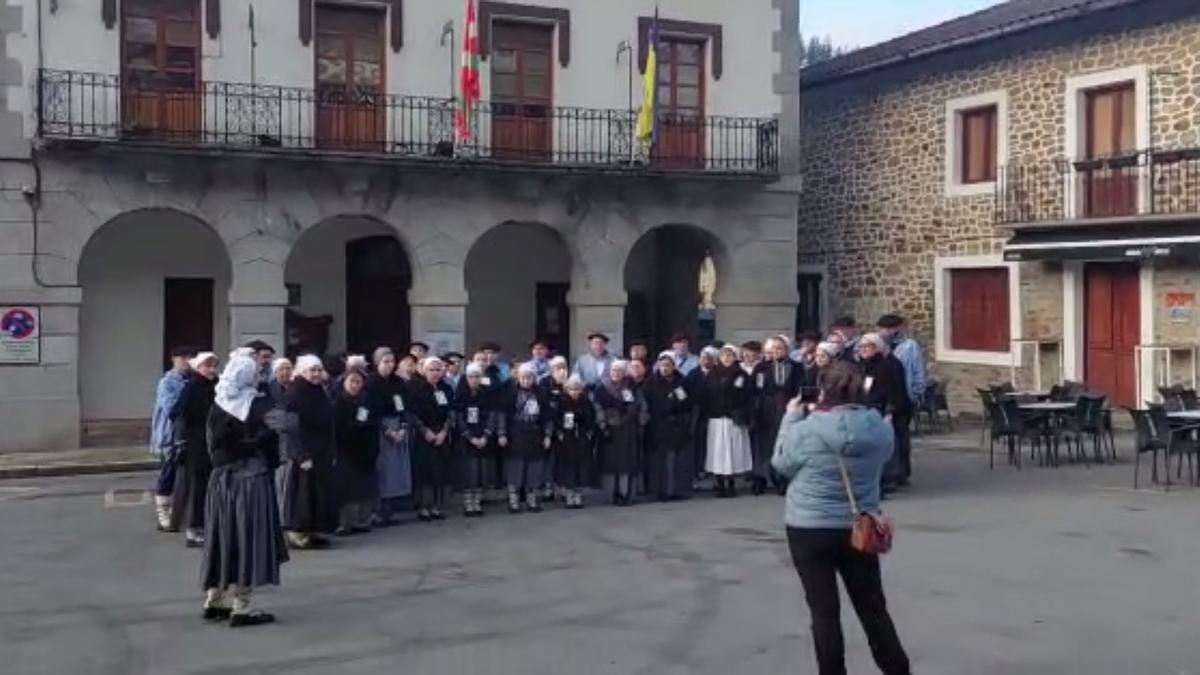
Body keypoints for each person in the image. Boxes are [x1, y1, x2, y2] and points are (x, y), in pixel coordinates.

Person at [771, 361, 910, 675]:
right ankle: (897, 670)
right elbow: (886, 458)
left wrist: (790, 417)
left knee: (824, 612)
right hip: (859, 523)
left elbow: (781, 463)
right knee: (873, 608)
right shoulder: (878, 428)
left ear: (823, 390)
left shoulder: (806, 430)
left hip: (809, 526)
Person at [200, 353, 289, 628]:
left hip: (220, 482)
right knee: (248, 538)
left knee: (222, 537)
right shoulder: (257, 404)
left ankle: (214, 599)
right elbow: (287, 424)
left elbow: (212, 444)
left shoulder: (218, 401)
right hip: (250, 481)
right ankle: (241, 606)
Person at [280, 355, 337, 549]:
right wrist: (301, 454)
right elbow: (291, 428)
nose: (316, 374)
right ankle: (297, 533)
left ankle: (314, 530)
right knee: (302, 494)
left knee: (318, 494)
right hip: (304, 452)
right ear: (302, 372)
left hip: (321, 450)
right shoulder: (295, 393)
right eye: (311, 370)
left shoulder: (319, 390)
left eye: (318, 370)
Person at [169, 352, 220, 547]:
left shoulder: (217, 386)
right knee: (195, 488)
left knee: (209, 486)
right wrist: (182, 440)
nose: (212, 370)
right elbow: (177, 413)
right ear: (198, 368)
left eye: (215, 366)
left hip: (212, 443)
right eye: (208, 366)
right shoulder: (191, 387)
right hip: (195, 444)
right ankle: (193, 529)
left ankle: (206, 525)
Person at [858, 333, 912, 494]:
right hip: (871, 408)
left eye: (868, 347)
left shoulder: (890, 364)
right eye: (862, 347)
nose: (864, 350)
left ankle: (893, 476)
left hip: (889, 409)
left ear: (877, 348)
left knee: (891, 443)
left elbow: (895, 390)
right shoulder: (865, 364)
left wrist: (890, 410)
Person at [497, 363, 554, 513]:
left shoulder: (541, 394)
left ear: (533, 378)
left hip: (535, 435)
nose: (526, 380)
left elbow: (548, 418)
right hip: (515, 434)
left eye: (529, 377)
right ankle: (513, 500)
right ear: (518, 377)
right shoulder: (510, 393)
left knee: (534, 469)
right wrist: (502, 434)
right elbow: (502, 415)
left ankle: (532, 499)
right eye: (523, 377)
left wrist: (547, 435)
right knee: (515, 468)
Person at [367, 347, 413, 525]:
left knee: (397, 471)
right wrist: (387, 431)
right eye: (385, 361)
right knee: (382, 470)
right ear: (377, 362)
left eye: (392, 361)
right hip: (380, 430)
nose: (389, 365)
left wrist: (402, 427)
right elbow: (370, 410)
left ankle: (390, 508)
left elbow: (405, 406)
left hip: (398, 427)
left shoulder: (398, 382)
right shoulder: (370, 382)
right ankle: (377, 509)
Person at [752, 337, 804, 495]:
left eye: (780, 348)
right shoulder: (762, 367)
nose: (776, 352)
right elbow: (755, 390)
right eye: (773, 349)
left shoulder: (796, 367)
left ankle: (782, 479)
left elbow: (802, 388)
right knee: (763, 445)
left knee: (783, 444)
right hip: (766, 409)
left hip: (787, 407)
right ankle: (760, 478)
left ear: (787, 350)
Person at [701, 345, 753, 498]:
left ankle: (731, 483)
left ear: (735, 357)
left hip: (733, 418)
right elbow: (706, 395)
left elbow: (747, 396)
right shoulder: (712, 374)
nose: (727, 358)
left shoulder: (741, 374)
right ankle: (719, 483)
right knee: (718, 452)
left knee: (733, 451)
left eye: (730, 355)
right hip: (716, 418)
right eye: (724, 356)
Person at [877, 314, 924, 485]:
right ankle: (892, 471)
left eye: (890, 328)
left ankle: (903, 471)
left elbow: (917, 369)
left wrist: (917, 394)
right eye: (884, 328)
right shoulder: (880, 345)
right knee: (890, 436)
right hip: (887, 395)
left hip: (905, 395)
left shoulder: (909, 346)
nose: (887, 332)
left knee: (902, 434)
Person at [593, 360, 648, 506]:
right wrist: (603, 425)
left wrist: (641, 422)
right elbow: (597, 408)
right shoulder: (602, 388)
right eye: (613, 370)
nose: (616, 373)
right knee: (610, 464)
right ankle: (611, 495)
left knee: (627, 464)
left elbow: (642, 405)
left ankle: (625, 494)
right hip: (610, 431)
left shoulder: (632, 387)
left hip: (629, 430)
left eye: (619, 371)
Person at [150, 345, 193, 532]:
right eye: (182, 358)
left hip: (187, 435)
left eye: (189, 358)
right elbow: (171, 409)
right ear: (174, 360)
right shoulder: (168, 382)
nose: (186, 362)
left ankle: (180, 513)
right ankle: (163, 513)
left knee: (182, 476)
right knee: (168, 473)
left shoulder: (191, 380)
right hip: (170, 435)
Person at [409, 357, 456, 521]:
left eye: (438, 370)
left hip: (441, 433)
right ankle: (424, 506)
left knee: (440, 471)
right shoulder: (417, 389)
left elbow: (451, 412)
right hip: (424, 434)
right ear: (424, 371)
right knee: (425, 471)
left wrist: (444, 431)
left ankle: (437, 506)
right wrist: (425, 431)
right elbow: (411, 413)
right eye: (432, 370)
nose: (435, 373)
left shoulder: (446, 389)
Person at [644, 351, 694, 501]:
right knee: (661, 462)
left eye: (668, 365)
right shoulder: (651, 382)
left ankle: (676, 491)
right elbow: (649, 403)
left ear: (674, 366)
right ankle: (661, 491)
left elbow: (687, 402)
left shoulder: (681, 381)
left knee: (678, 462)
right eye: (662, 365)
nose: (665, 368)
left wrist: (676, 404)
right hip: (658, 426)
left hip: (677, 426)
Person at [332, 369, 377, 536]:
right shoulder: (339, 402)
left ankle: (362, 520)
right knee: (346, 488)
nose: (355, 385)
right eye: (352, 381)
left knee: (363, 487)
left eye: (358, 382)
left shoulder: (366, 401)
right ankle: (345, 523)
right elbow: (337, 428)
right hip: (345, 449)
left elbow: (373, 424)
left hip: (365, 449)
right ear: (344, 382)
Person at [454, 363, 496, 517]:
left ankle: (477, 502)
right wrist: (469, 437)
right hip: (467, 439)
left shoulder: (487, 394)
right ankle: (468, 503)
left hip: (483, 438)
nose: (474, 379)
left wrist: (485, 435)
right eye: (471, 376)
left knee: (481, 472)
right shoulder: (461, 395)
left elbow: (492, 416)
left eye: (477, 376)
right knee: (469, 472)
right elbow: (458, 418)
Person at [553, 375, 596, 509]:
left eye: (577, 389)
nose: (574, 392)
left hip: (582, 439)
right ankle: (568, 495)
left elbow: (591, 419)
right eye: (571, 389)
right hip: (567, 439)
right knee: (568, 468)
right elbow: (556, 419)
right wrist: (560, 433)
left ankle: (578, 494)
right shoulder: (562, 401)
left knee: (581, 468)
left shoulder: (586, 402)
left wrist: (589, 433)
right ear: (567, 389)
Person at [687, 345, 719, 484]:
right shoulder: (693, 374)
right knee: (697, 442)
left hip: (713, 412)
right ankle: (697, 469)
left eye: (708, 358)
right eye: (702, 358)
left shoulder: (718, 373)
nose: (705, 360)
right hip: (697, 413)